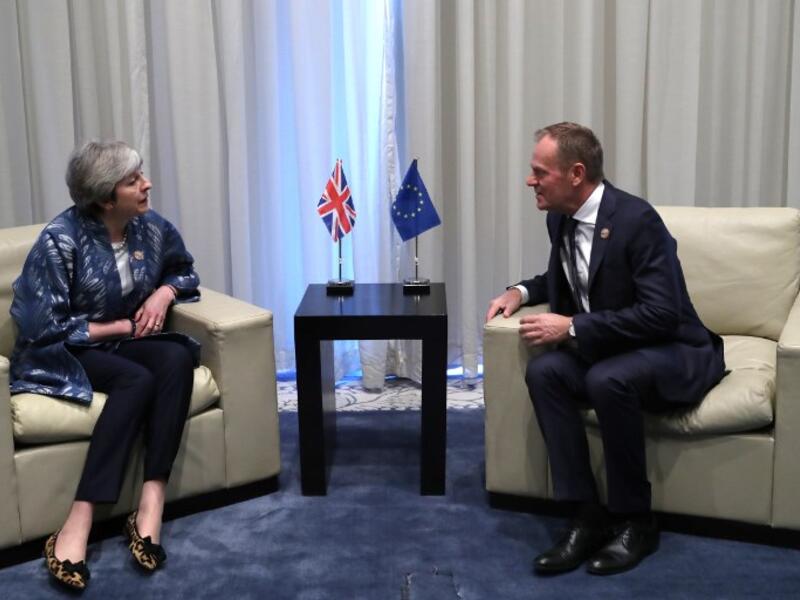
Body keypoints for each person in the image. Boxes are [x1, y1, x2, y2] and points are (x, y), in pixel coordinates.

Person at [485, 122, 725, 576]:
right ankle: (586, 513)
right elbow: (572, 277)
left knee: (606, 378)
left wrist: (573, 325)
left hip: (675, 350)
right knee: (546, 372)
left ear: (576, 173)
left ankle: (636, 519)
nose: (530, 180)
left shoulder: (637, 221)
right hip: (619, 349)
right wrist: (520, 290)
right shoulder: (559, 217)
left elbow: (662, 314)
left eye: (540, 172)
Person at [9, 140, 201, 590]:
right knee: (136, 378)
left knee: (173, 357)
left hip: (123, 340)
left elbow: (185, 271)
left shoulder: (150, 227)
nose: (146, 184)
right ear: (104, 196)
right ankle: (80, 517)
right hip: (66, 351)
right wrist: (116, 329)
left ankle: (150, 503)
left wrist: (164, 292)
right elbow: (43, 328)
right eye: (133, 180)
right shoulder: (60, 240)